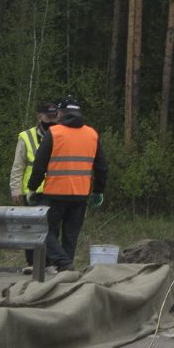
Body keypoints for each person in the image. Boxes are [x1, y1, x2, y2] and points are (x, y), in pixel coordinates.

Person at [28, 98, 107, 272]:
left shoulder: (55, 133)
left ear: (60, 114)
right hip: (80, 194)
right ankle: (66, 271)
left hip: (55, 193)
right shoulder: (92, 134)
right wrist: (98, 191)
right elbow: (101, 166)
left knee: (44, 230)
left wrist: (32, 188)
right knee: (71, 235)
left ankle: (63, 263)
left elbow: (40, 164)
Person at [10, 100, 58, 270]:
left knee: (50, 227)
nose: (52, 121)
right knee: (29, 227)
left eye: (54, 117)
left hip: (54, 188)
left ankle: (49, 263)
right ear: (40, 116)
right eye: (49, 117)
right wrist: (15, 188)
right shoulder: (26, 136)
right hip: (30, 190)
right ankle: (31, 262)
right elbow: (18, 165)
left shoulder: (60, 134)